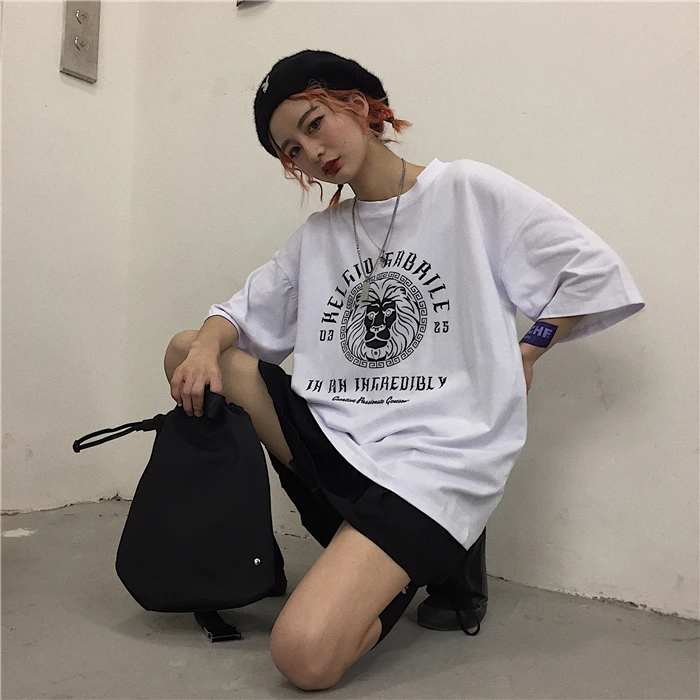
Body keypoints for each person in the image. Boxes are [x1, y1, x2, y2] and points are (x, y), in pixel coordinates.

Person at [163, 50, 645, 690]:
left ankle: (425, 554)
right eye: (291, 150)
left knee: (304, 656)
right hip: (338, 440)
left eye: (315, 124)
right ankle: (360, 554)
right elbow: (237, 316)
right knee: (187, 350)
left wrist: (526, 350)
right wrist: (206, 343)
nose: (311, 153)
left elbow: (590, 271)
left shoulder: (465, 191)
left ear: (359, 106)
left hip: (432, 460)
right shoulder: (322, 234)